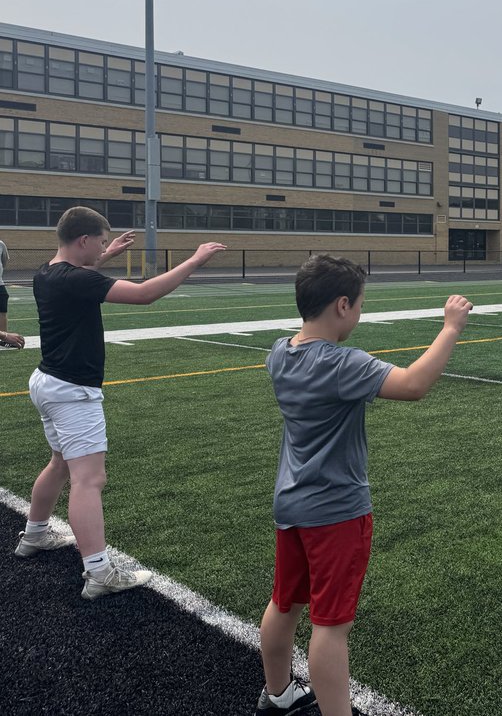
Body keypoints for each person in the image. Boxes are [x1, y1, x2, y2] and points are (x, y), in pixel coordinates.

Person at [255, 255, 472, 716]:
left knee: (284, 603)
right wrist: (451, 327)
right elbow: (413, 385)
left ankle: (276, 695)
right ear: (342, 305)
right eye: (359, 304)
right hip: (336, 512)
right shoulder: (340, 363)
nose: (360, 313)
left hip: (290, 504)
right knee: (330, 627)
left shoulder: (278, 352)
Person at [16, 206, 226, 600]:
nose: (100, 249)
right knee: (89, 479)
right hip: (72, 390)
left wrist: (106, 254)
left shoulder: (46, 271)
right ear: (82, 240)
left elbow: (79, 273)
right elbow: (145, 295)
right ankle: (99, 572)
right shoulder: (76, 280)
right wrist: (195, 259)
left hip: (47, 381)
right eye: (97, 242)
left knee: (60, 464)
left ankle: (35, 534)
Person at [0, 236, 25, 350]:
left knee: (2, 310)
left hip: (0, 283)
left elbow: (3, 261)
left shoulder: (1, 245)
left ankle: (3, 339)